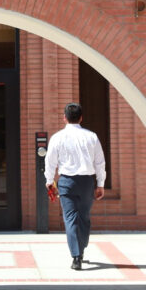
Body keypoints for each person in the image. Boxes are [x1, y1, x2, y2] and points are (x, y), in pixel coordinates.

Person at [44, 103, 106, 271]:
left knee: (70, 218)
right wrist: (100, 184)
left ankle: (76, 256)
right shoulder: (92, 136)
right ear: (81, 118)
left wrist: (49, 180)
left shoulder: (57, 137)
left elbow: (50, 161)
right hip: (86, 182)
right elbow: (100, 162)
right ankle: (81, 248)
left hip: (66, 182)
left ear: (64, 118)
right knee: (84, 217)